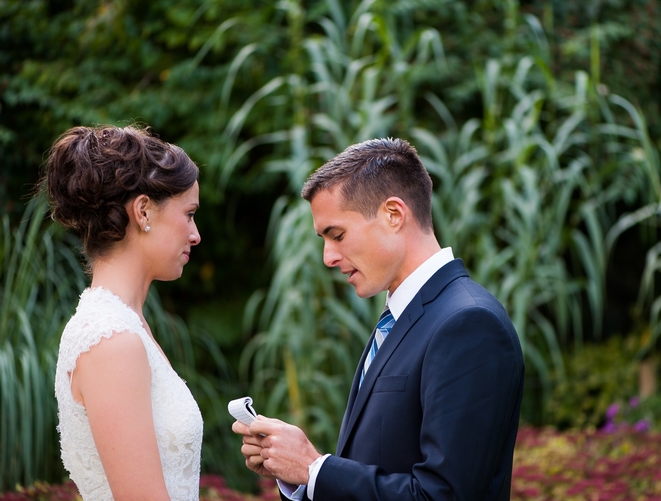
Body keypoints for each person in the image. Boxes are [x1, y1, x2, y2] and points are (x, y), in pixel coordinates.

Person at [234, 137, 524, 500]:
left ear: (393, 214)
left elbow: (444, 496)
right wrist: (300, 477)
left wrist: (315, 468)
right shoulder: (399, 320)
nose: (328, 257)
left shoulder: (469, 324)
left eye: (337, 235)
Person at [43, 125, 203, 500]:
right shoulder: (111, 339)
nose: (195, 235)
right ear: (143, 211)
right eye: (190, 214)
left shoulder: (125, 324)